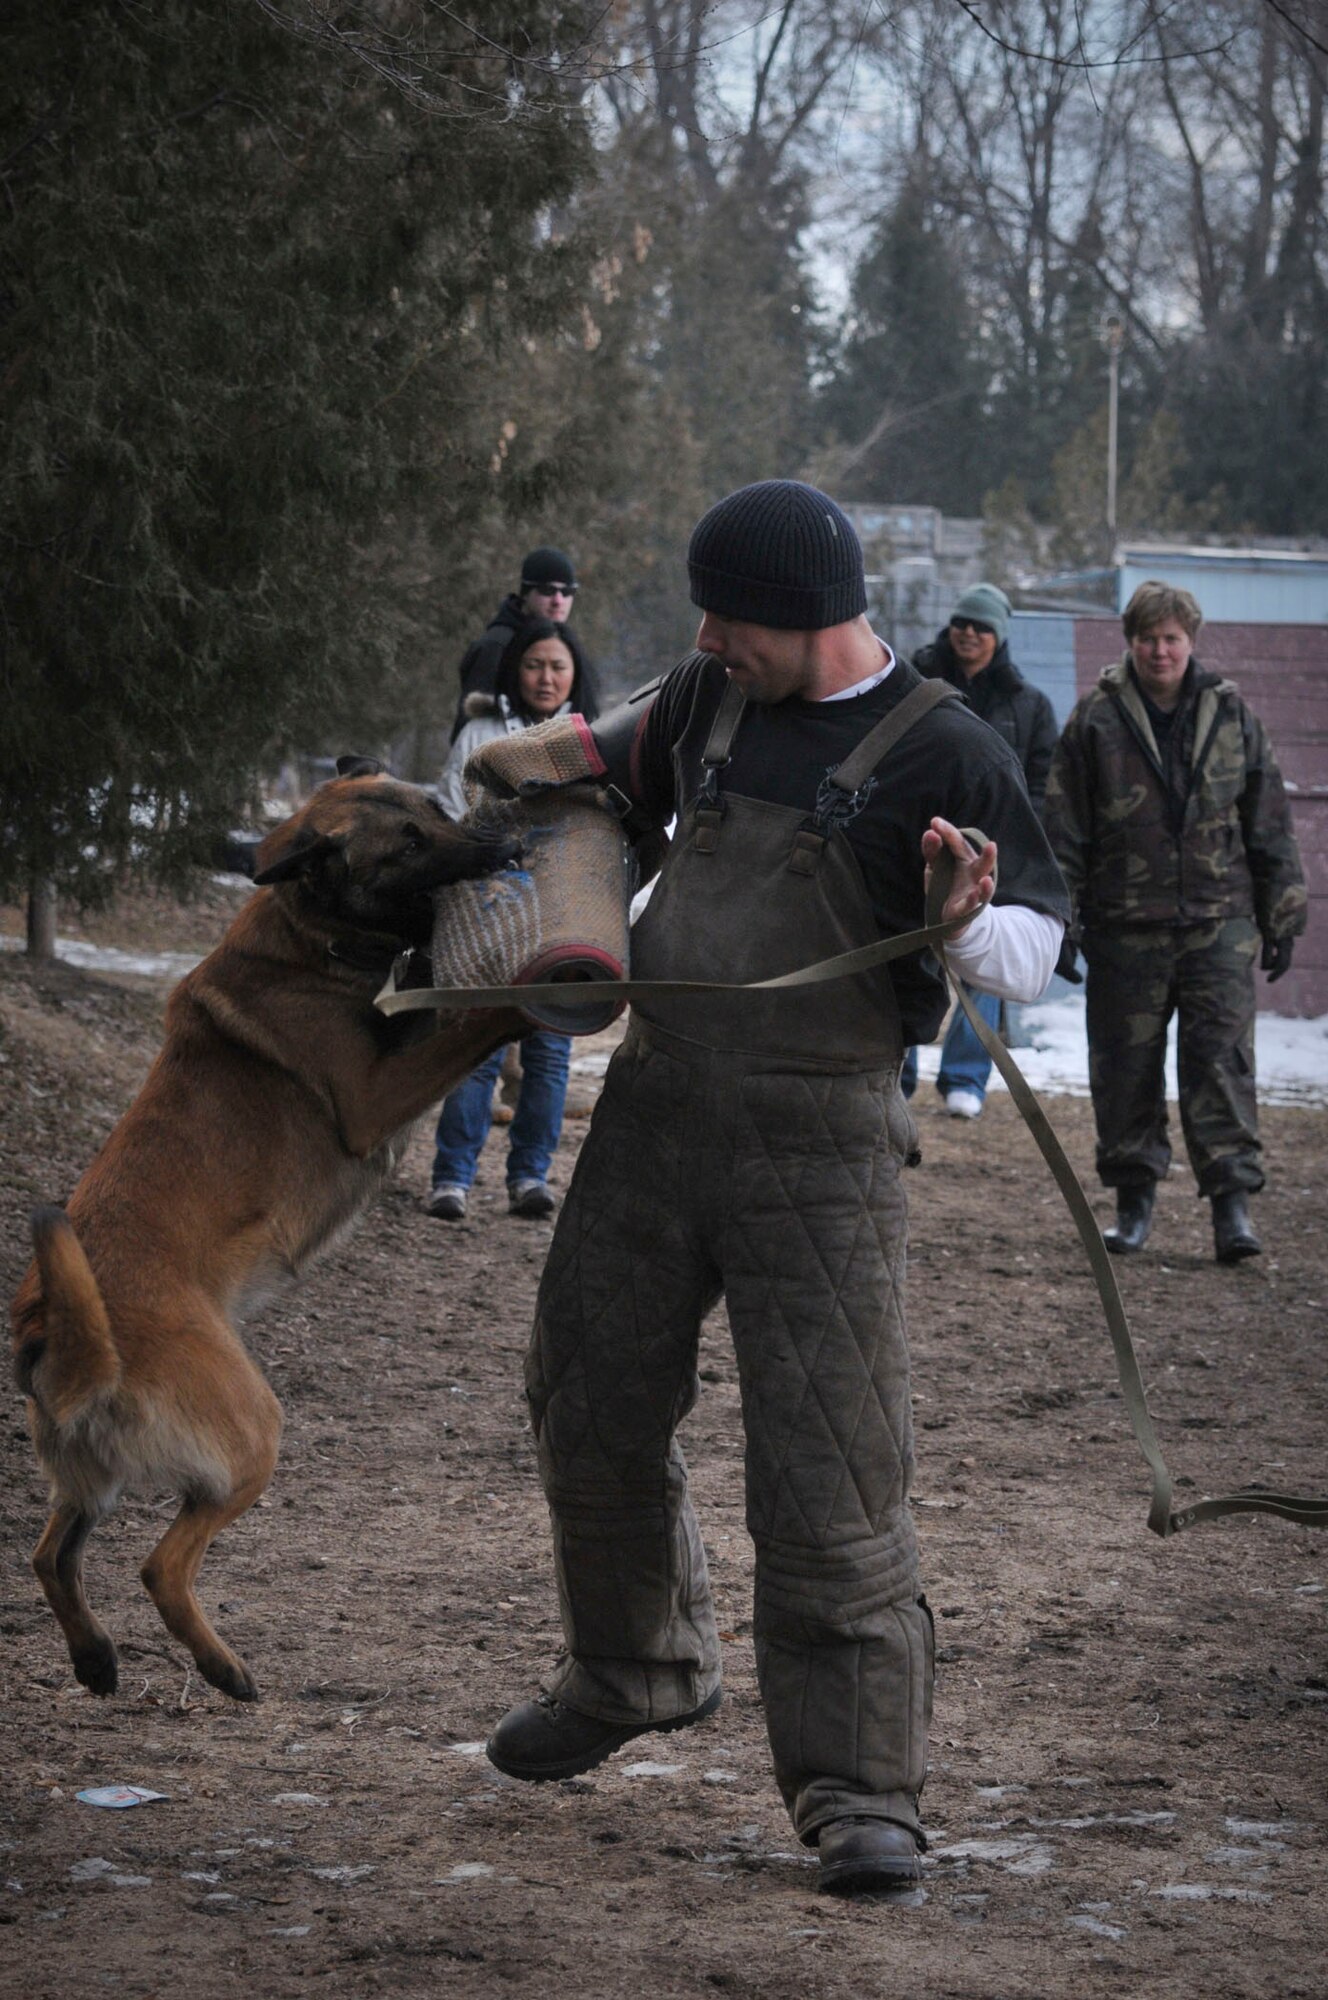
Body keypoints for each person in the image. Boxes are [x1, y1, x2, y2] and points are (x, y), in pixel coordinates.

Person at [478, 481, 1070, 1897]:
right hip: (660, 1100)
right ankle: (632, 1670)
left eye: (727, 613)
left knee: (830, 1468)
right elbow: (605, 772)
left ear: (804, 617)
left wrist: (964, 925)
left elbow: (1042, 944)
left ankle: (862, 1787)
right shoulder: (704, 700)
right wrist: (520, 786)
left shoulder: (953, 751)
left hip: (824, 1141)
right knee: (587, 1389)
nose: (704, 634)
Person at [1044, 580, 1306, 1264]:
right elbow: (1064, 828)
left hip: (1218, 924)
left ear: (1192, 641)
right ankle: (1133, 1205)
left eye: (1171, 639)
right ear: (1129, 642)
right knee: (1125, 1067)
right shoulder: (1096, 720)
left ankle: (1232, 1210)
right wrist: (1060, 919)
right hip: (1124, 926)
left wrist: (1282, 913)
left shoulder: (1230, 714)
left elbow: (1268, 819)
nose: (1159, 651)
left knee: (1220, 1064)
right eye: (1147, 639)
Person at [428, 616, 596, 1222]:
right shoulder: (479, 732)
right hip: (487, 912)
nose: (545, 677)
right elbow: (452, 807)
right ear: (514, 669)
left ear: (575, 673)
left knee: (549, 1053)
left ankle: (530, 1177)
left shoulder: (590, 736)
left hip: (558, 916)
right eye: (534, 664)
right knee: (478, 1050)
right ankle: (451, 1178)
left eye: (557, 666)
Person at [902, 582, 1060, 1118]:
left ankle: (966, 1076)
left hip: (993, 850)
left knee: (981, 954)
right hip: (915, 835)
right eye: (962, 622)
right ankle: (897, 1071)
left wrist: (1017, 831)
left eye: (982, 626)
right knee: (902, 950)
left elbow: (1042, 781)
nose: (969, 633)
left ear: (1001, 636)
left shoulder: (1030, 704)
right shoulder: (914, 680)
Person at [450, 547, 598, 741]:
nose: (558, 601)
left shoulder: (564, 642)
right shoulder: (496, 646)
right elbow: (470, 728)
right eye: (547, 590)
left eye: (567, 591)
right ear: (526, 592)